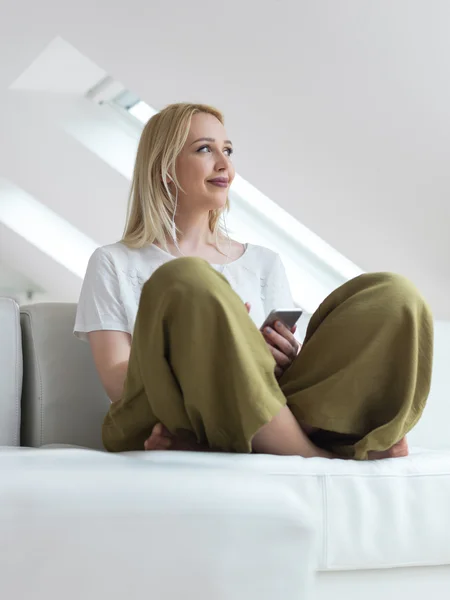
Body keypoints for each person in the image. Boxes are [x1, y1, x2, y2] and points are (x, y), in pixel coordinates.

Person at [74, 102, 433, 460]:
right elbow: (117, 380)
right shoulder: (114, 262)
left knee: (392, 294)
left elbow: (276, 381)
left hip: (260, 401)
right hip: (163, 414)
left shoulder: (263, 262)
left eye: (227, 150)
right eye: (204, 149)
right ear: (166, 168)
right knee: (188, 278)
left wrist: (282, 357)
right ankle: (312, 454)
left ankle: (223, 442)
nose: (224, 164)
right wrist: (214, 343)